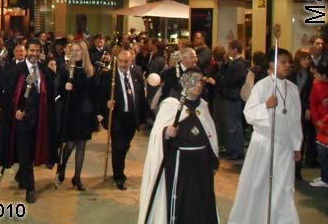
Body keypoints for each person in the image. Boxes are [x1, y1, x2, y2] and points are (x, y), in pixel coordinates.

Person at [228, 48, 302, 224]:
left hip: (284, 145)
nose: (287, 66)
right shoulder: (262, 86)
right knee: (259, 185)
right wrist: (266, 106)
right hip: (264, 143)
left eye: (289, 62)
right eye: (283, 62)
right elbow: (249, 114)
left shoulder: (292, 89)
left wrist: (296, 144)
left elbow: (295, 119)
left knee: (284, 186)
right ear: (272, 64)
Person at [138, 69, 219, 224]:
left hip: (201, 167)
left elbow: (211, 135)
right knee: (183, 204)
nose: (198, 85)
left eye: (201, 81)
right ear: (184, 82)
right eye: (193, 81)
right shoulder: (172, 105)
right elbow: (157, 136)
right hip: (180, 167)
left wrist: (213, 160)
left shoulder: (203, 106)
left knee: (203, 202)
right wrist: (166, 133)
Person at [0, 38, 57, 204]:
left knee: (32, 151)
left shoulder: (45, 71)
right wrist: (15, 112)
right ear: (26, 51)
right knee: (25, 152)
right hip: (21, 121)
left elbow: (52, 94)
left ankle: (22, 174)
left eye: (37, 51)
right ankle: (30, 188)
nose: (34, 54)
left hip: (40, 119)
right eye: (32, 50)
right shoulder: (16, 71)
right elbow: (7, 96)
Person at [99, 49, 147, 190]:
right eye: (121, 61)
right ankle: (118, 176)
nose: (123, 64)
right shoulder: (109, 77)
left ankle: (119, 168)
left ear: (131, 60)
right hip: (117, 118)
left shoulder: (136, 74)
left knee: (124, 146)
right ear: (116, 61)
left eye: (126, 61)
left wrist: (143, 117)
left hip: (131, 118)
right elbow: (100, 96)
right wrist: (106, 104)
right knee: (118, 147)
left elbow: (140, 97)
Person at [56, 40, 97, 190]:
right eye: (73, 50)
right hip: (70, 110)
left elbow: (93, 94)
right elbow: (58, 90)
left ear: (84, 53)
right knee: (71, 143)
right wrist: (64, 88)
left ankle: (77, 177)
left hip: (85, 111)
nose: (75, 53)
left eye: (78, 51)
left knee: (82, 145)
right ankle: (62, 166)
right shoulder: (65, 69)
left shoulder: (89, 70)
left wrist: (95, 113)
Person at [288, 49, 315, 181]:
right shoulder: (291, 73)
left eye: (308, 59)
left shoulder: (310, 76)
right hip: (289, 109)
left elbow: (311, 95)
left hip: (302, 110)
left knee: (300, 138)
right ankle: (288, 169)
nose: (306, 61)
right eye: (304, 58)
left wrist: (309, 108)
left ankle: (297, 171)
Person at [222, 39, 247, 160]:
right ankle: (231, 148)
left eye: (230, 49)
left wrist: (225, 82)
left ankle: (236, 150)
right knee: (231, 124)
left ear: (235, 50)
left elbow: (231, 80)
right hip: (231, 96)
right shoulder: (235, 63)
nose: (228, 51)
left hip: (233, 97)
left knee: (234, 125)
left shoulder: (239, 64)